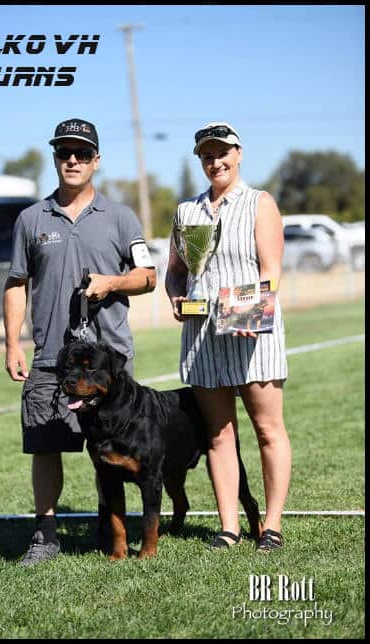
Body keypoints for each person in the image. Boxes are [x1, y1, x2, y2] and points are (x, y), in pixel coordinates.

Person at [3, 118, 156, 566]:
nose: (73, 160)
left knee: (111, 450)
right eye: (64, 152)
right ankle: (46, 535)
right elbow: (16, 283)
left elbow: (148, 277)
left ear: (96, 161)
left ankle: (107, 524)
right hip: (51, 359)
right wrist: (12, 343)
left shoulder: (121, 217)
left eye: (82, 153)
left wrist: (112, 283)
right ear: (55, 158)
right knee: (46, 445)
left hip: (110, 364)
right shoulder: (31, 219)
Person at [165, 122, 291, 551]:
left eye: (222, 153)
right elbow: (177, 271)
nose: (214, 161)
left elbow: (271, 273)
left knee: (267, 429)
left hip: (253, 331)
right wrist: (177, 298)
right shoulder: (187, 212)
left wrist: (238, 312)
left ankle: (271, 526)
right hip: (202, 337)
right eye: (206, 155)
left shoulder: (260, 203)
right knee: (219, 433)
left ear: (238, 154)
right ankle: (228, 527)